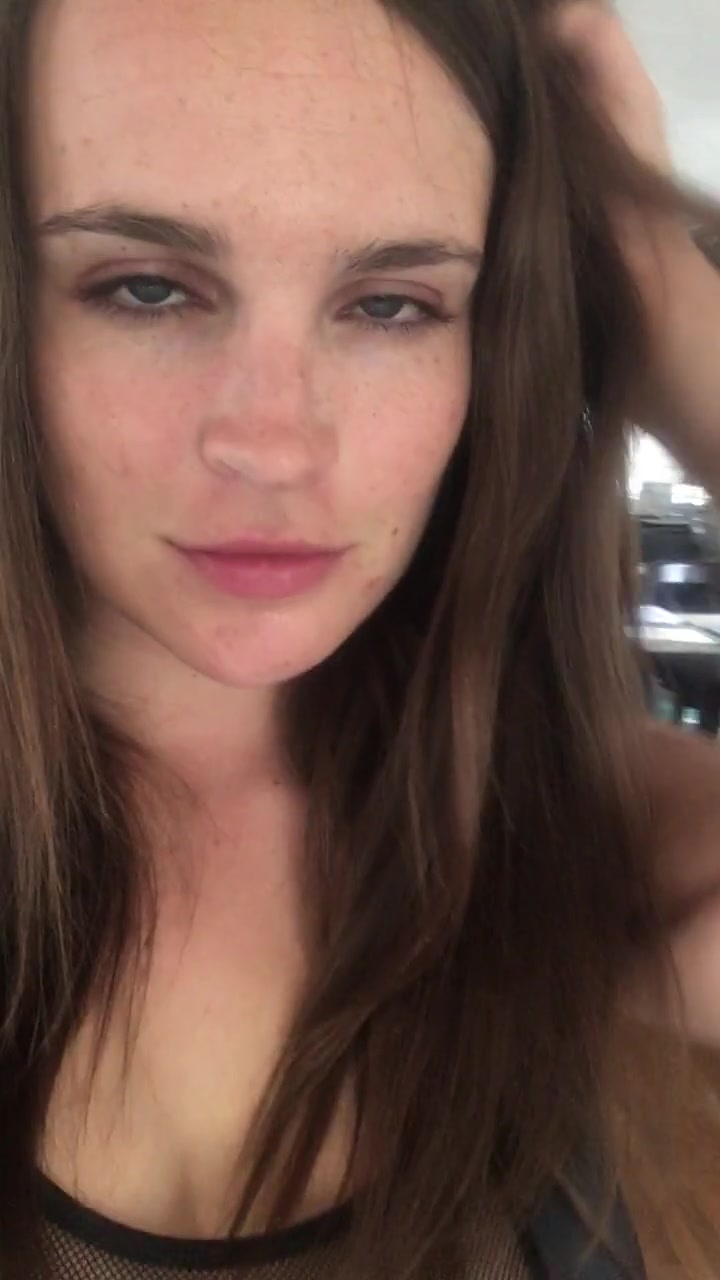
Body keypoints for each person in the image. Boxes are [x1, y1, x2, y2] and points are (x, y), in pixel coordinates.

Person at [1, 0, 720, 1277]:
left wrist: (655, 271)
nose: (276, 444)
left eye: (391, 304)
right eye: (146, 286)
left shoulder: (560, 819)